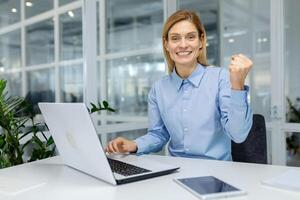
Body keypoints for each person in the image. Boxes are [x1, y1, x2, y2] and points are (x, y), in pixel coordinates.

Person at [106, 10, 253, 161]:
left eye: (190, 37)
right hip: (176, 170)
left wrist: (237, 85)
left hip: (216, 172)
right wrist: (133, 145)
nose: (183, 45)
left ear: (201, 41)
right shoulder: (159, 89)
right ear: (166, 44)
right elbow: (158, 134)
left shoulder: (221, 78)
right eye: (175, 39)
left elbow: (238, 134)